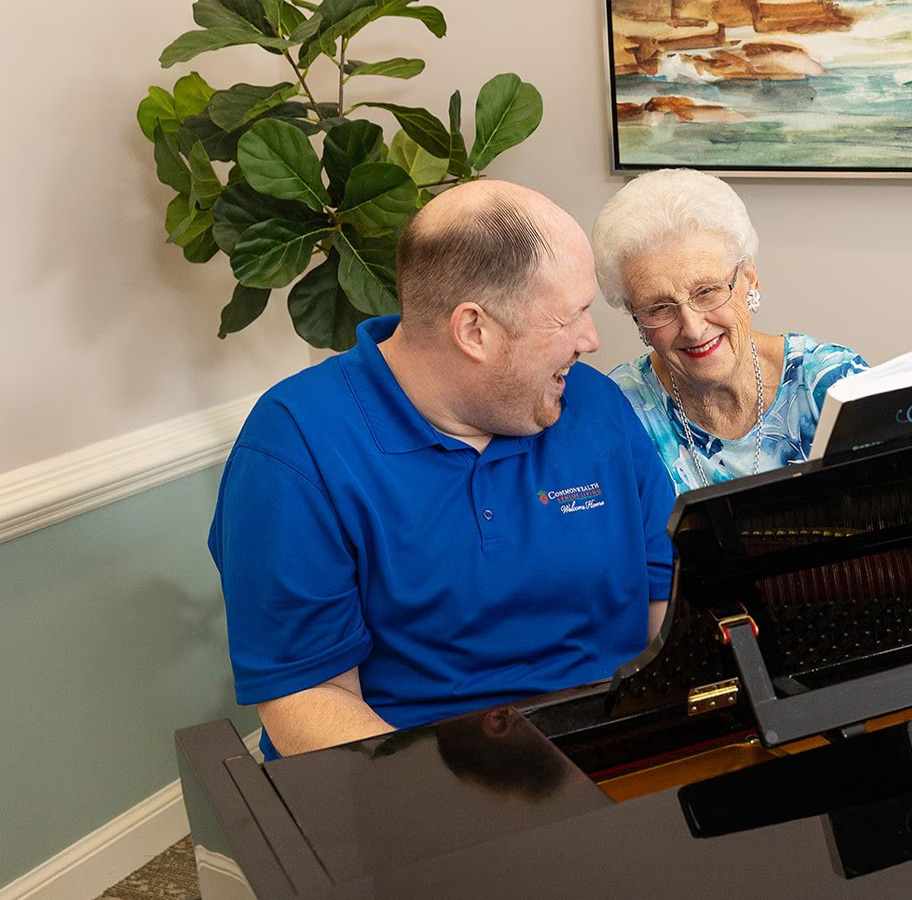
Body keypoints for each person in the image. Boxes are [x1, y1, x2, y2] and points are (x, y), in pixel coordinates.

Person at [209, 181, 677, 760]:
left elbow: (667, 612)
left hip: (616, 751)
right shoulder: (295, 448)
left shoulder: (596, 408)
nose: (592, 339)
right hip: (412, 776)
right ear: (473, 330)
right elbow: (307, 697)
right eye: (572, 316)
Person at [593, 169, 868, 493]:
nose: (693, 329)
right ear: (637, 319)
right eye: (660, 308)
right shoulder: (620, 411)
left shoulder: (830, 385)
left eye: (707, 291)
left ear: (750, 278)